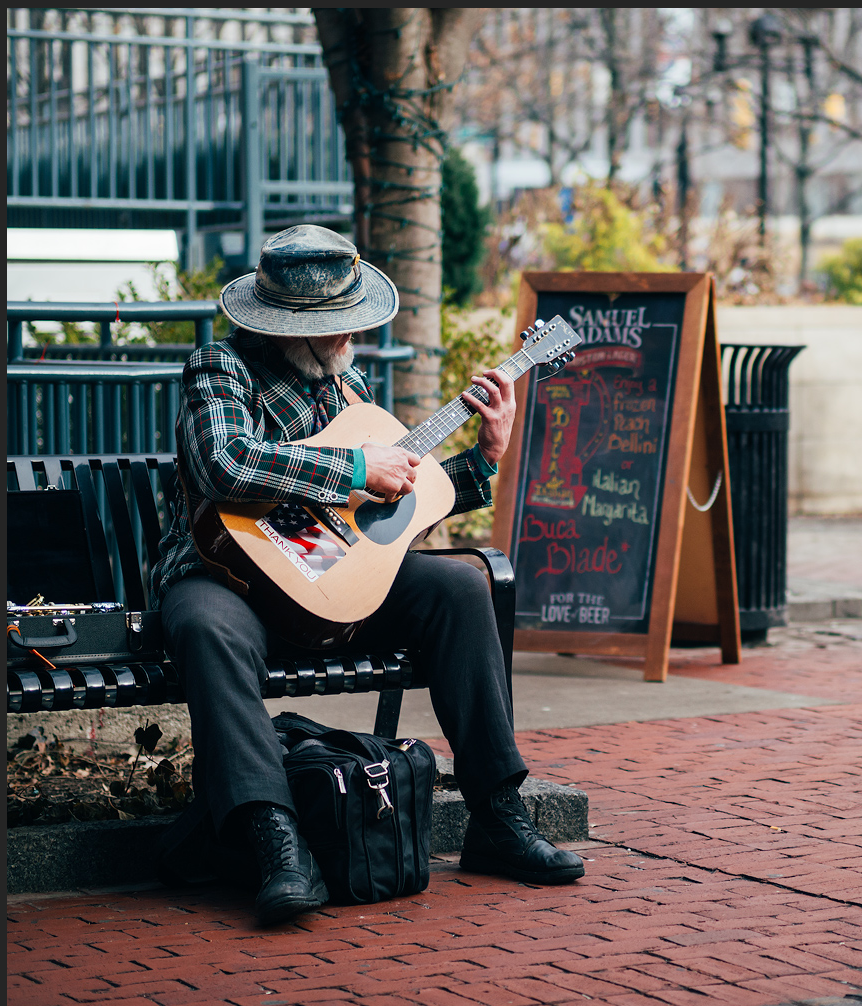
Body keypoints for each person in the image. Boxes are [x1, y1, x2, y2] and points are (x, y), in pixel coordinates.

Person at [152, 225, 584, 926]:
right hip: (224, 576)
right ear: (295, 330)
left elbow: (385, 514)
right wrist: (354, 466)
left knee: (460, 585)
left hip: (328, 585)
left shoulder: (348, 385)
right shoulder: (219, 369)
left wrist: (483, 458)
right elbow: (222, 464)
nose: (359, 335)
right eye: (343, 326)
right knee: (202, 625)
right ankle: (276, 845)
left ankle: (497, 815)